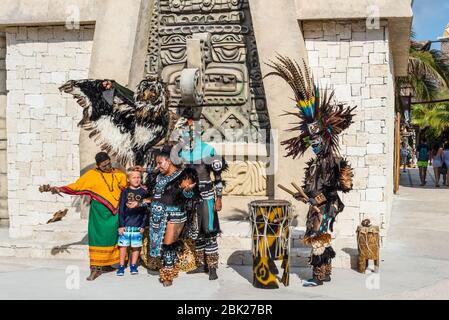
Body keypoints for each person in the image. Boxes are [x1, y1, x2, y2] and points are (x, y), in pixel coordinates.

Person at [40, 152, 127, 281]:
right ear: (98, 166)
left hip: (114, 213)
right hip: (99, 213)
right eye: (104, 165)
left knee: (111, 238)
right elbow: (76, 187)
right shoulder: (91, 175)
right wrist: (58, 189)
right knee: (97, 238)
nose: (108, 166)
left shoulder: (119, 173)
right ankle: (95, 268)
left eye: (109, 163)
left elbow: (126, 187)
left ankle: (106, 264)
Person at [129, 146, 197, 287]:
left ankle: (168, 275)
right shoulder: (159, 176)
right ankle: (168, 269)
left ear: (169, 161)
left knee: (168, 245)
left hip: (175, 215)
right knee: (159, 246)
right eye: (157, 163)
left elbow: (189, 198)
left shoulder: (184, 175)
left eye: (160, 163)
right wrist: (139, 203)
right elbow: (154, 198)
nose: (157, 166)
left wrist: (188, 191)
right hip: (157, 216)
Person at [176, 122, 226, 281]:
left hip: (207, 197)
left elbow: (218, 178)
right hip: (190, 198)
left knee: (209, 230)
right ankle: (201, 264)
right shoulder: (181, 153)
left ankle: (212, 267)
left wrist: (218, 199)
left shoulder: (209, 151)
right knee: (195, 231)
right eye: (185, 134)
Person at [116, 170, 149, 276]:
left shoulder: (144, 192)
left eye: (138, 177)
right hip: (125, 224)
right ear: (128, 180)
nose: (137, 179)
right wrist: (121, 225)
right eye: (134, 177)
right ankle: (121, 266)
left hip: (137, 225)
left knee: (136, 246)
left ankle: (133, 265)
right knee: (123, 246)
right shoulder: (125, 192)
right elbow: (121, 209)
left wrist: (142, 225)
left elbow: (145, 211)